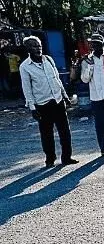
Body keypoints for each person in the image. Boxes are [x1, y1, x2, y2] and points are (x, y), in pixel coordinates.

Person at [19, 36, 77, 168]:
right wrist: (32, 108)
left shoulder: (49, 60)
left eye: (39, 46)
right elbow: (27, 89)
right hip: (42, 105)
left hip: (58, 101)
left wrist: (65, 96)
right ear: (28, 49)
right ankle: (50, 159)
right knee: (47, 134)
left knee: (65, 132)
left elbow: (57, 79)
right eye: (34, 46)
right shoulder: (25, 67)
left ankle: (67, 157)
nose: (38, 49)